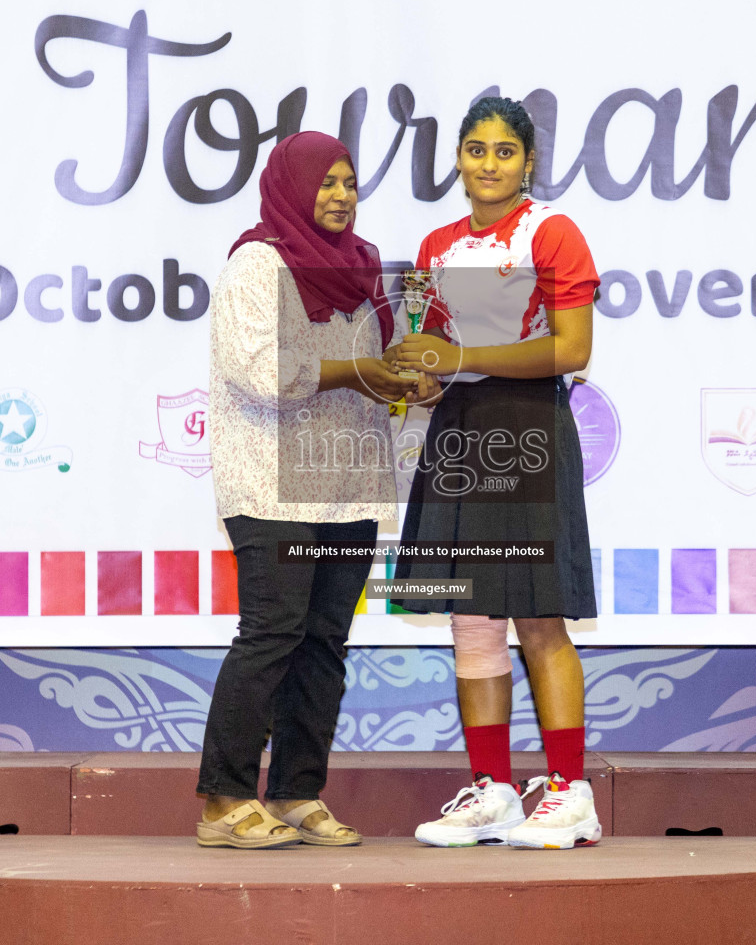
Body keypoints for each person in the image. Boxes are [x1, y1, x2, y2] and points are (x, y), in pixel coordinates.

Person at [196, 131, 428, 848]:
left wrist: (410, 379)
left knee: (325, 641)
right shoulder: (257, 264)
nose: (339, 195)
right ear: (292, 187)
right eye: (325, 182)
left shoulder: (362, 269)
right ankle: (223, 800)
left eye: (350, 183)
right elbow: (261, 370)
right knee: (272, 633)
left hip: (350, 481)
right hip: (272, 484)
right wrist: (360, 374)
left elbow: (375, 366)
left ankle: (297, 792)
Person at [393, 97, 602, 850]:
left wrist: (459, 361)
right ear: (458, 158)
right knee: (471, 619)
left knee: (539, 616)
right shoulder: (434, 245)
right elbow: (429, 349)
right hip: (459, 433)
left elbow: (572, 350)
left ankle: (571, 792)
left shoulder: (552, 231)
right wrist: (418, 379)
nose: (488, 163)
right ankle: (494, 792)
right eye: (475, 149)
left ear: (528, 161)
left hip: (530, 430)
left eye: (504, 151)